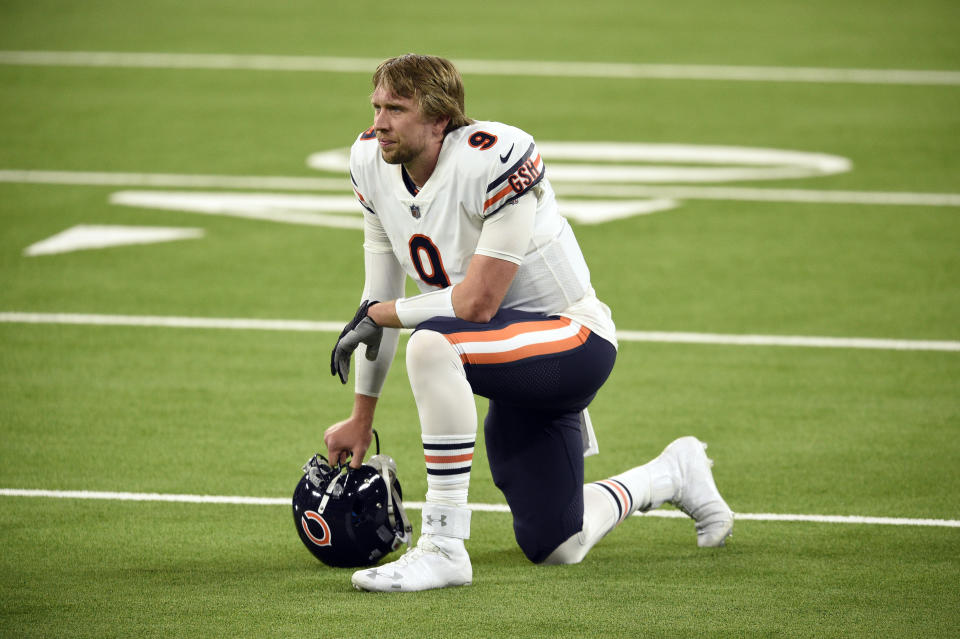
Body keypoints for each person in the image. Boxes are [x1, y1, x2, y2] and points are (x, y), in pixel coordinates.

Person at [324, 53, 733, 592]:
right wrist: (361, 415)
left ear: (440, 119)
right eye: (376, 106)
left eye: (396, 109)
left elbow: (476, 304)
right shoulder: (370, 162)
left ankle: (444, 546)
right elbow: (376, 300)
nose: (379, 122)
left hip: (572, 338)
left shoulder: (492, 158)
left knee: (430, 344)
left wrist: (384, 314)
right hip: (508, 357)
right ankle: (670, 473)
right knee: (557, 544)